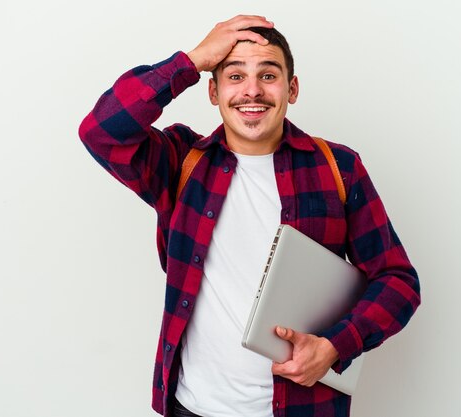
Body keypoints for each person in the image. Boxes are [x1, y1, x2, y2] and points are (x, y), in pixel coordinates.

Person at [79, 15, 420, 417]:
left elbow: (398, 282)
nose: (252, 91)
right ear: (213, 90)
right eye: (235, 76)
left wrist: (334, 346)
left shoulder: (338, 168)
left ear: (292, 88)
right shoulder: (180, 162)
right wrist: (190, 60)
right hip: (193, 407)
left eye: (269, 74)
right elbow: (101, 130)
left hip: (302, 409)